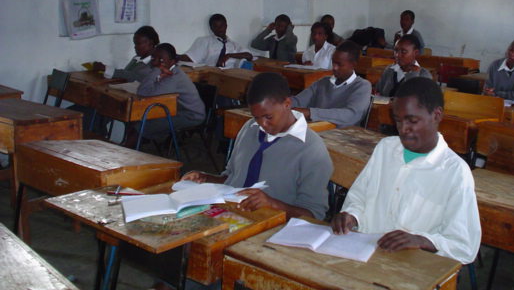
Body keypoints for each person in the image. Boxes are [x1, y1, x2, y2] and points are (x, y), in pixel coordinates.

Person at [331, 77, 481, 264]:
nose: (403, 129)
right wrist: (351, 216)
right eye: (398, 120)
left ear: (436, 115)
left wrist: (423, 240)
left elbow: (465, 246)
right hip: (364, 253)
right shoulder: (386, 148)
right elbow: (360, 197)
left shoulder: (455, 172)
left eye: (412, 121)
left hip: (411, 266)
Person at [182, 72, 332, 219]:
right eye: (256, 117)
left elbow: (314, 215)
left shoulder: (311, 149)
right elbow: (231, 177)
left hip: (272, 225)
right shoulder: (250, 127)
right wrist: (206, 178)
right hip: (231, 212)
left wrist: (271, 203)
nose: (262, 124)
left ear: (287, 104)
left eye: (268, 117)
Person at [130, 43, 205, 146]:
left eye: (161, 60)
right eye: (154, 57)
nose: (155, 61)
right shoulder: (166, 71)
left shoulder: (174, 76)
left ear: (172, 61)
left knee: (141, 124)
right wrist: (157, 71)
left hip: (190, 115)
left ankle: (126, 154)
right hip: (174, 109)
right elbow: (146, 89)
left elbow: (144, 93)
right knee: (136, 118)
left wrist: (156, 69)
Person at [292, 41, 372, 127]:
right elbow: (298, 100)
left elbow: (351, 115)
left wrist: (310, 113)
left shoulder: (362, 86)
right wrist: (282, 104)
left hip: (343, 135)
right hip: (317, 130)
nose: (334, 67)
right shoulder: (323, 82)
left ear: (353, 65)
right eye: (333, 62)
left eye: (339, 64)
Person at [179, 14, 253, 68]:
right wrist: (174, 56)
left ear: (226, 26)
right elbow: (190, 57)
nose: (219, 29)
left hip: (231, 74)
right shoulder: (205, 41)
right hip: (212, 74)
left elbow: (249, 56)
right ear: (211, 28)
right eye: (215, 26)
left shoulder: (233, 44)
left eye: (221, 26)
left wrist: (228, 55)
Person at [93, 25, 159, 82]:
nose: (135, 47)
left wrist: (107, 69)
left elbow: (134, 77)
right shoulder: (137, 58)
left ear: (151, 43)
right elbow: (125, 74)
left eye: (138, 44)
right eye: (134, 43)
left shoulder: (155, 62)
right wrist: (105, 71)